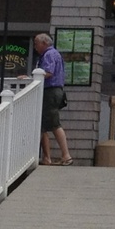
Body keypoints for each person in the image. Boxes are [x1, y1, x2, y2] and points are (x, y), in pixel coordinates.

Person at [34, 33, 73, 166]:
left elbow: (48, 72)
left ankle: (66, 155)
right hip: (53, 91)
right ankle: (46, 157)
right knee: (42, 125)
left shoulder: (49, 54)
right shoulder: (55, 54)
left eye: (36, 43)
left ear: (44, 43)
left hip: (51, 91)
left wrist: (31, 77)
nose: (35, 47)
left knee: (55, 124)